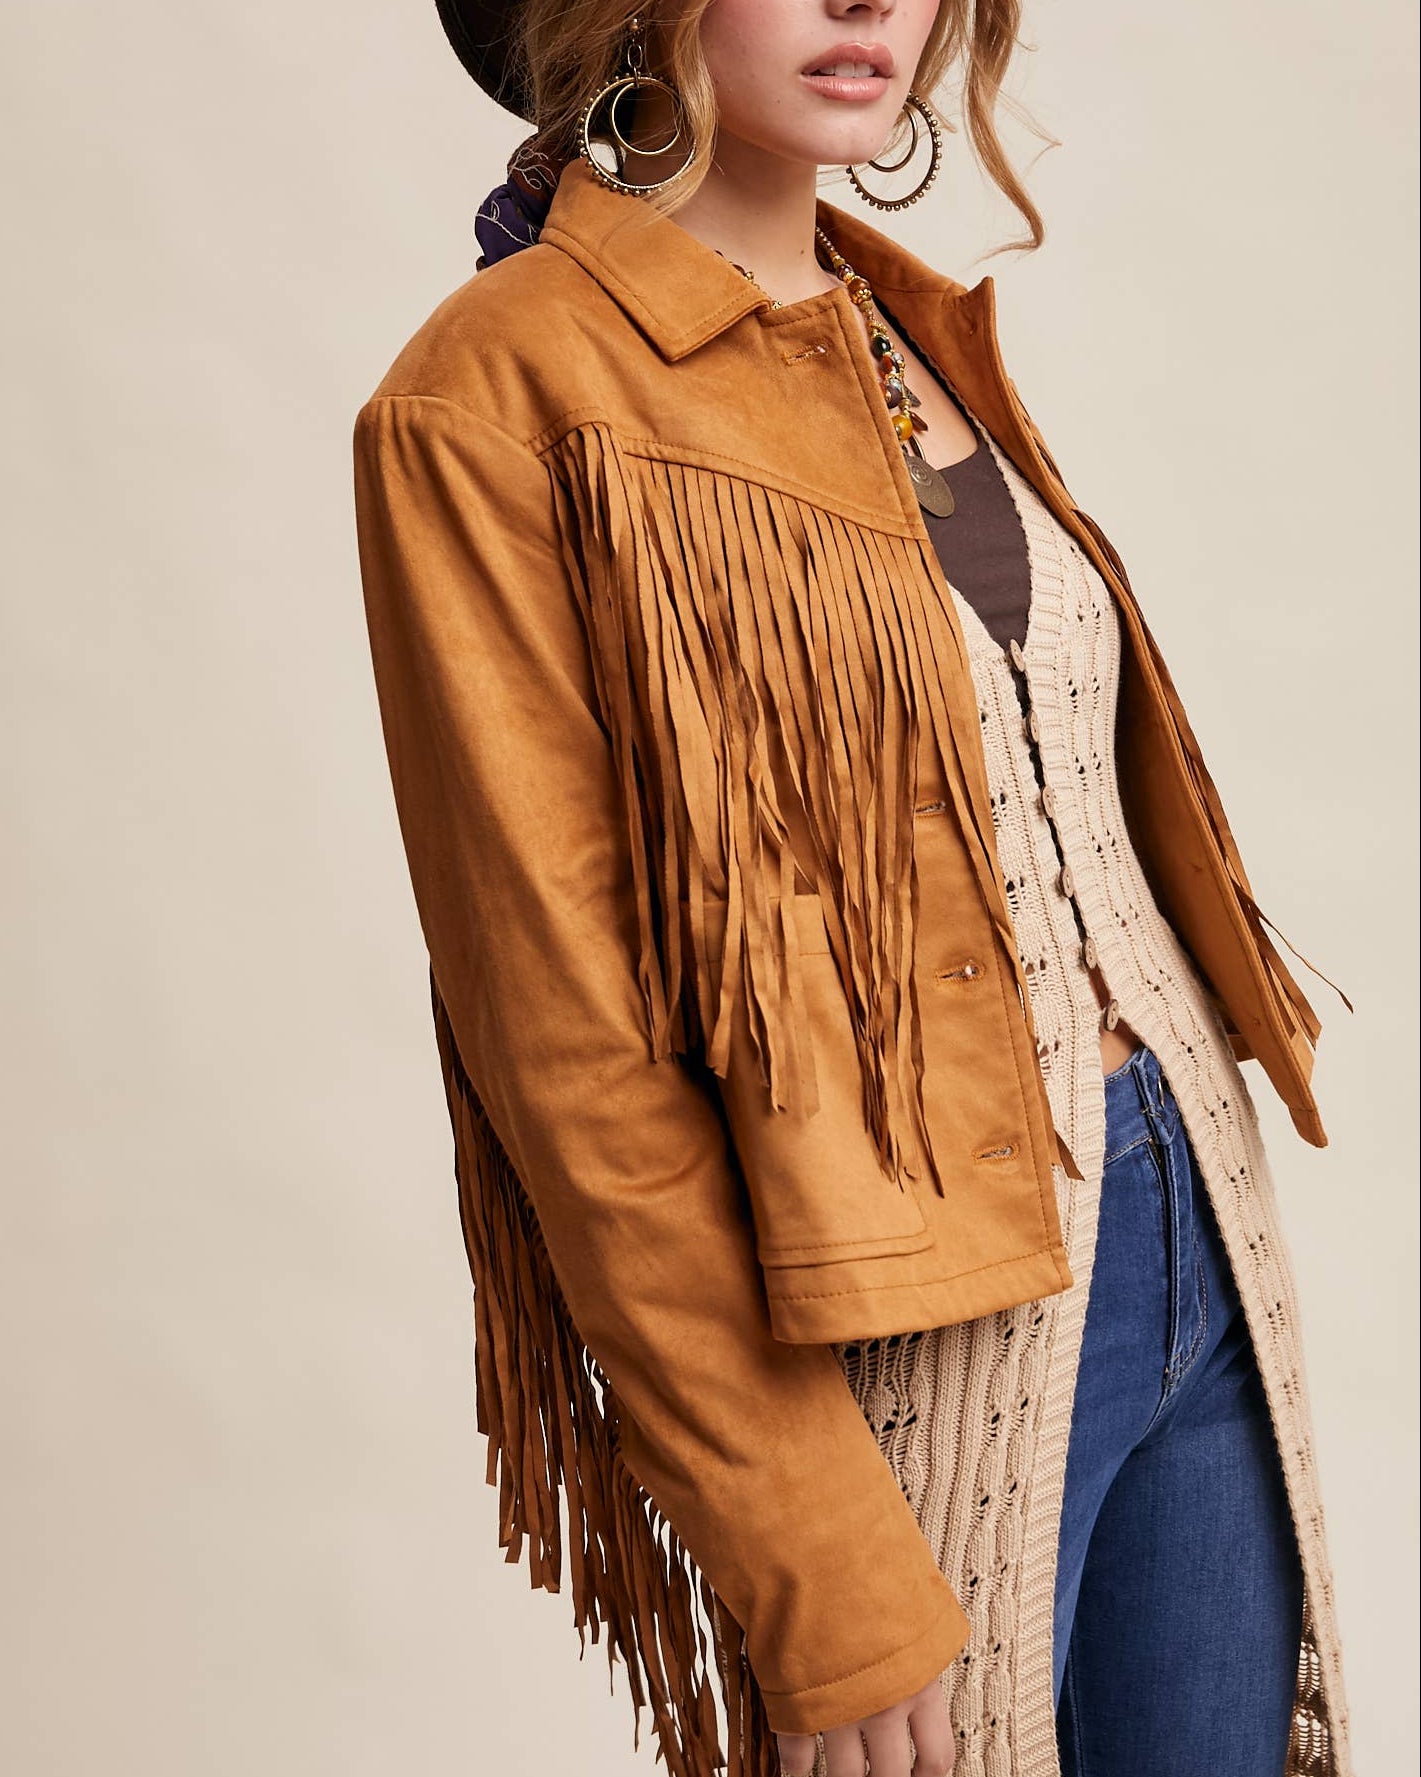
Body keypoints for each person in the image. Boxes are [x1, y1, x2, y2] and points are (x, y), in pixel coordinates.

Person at [351, 4, 1354, 1773]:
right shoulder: (492, 396)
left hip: (1191, 1219)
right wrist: (803, 1542)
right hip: (912, 1314)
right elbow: (571, 1058)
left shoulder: (899, 323)